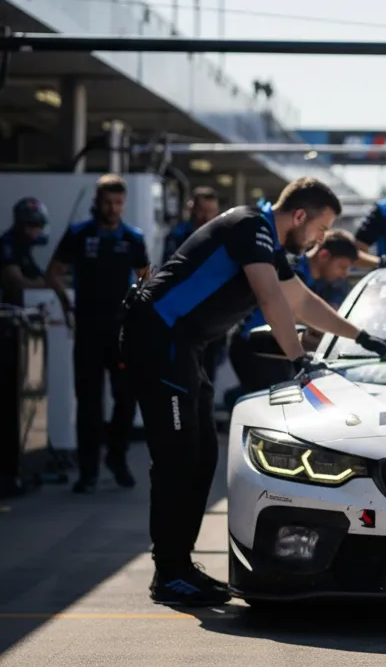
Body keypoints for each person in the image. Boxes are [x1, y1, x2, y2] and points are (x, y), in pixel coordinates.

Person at [120, 177, 386, 606]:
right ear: (299, 216)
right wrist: (298, 358)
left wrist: (362, 336)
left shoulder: (268, 241)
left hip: (183, 345)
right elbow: (271, 297)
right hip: (160, 337)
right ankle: (170, 573)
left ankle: (179, 567)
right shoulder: (251, 226)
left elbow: (301, 301)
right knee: (178, 458)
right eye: (320, 228)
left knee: (202, 457)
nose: (320, 239)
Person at [46, 175, 150, 492]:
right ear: (97, 201)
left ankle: (117, 458)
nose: (113, 208)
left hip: (122, 332)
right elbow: (53, 273)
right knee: (88, 402)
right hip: (89, 330)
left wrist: (139, 309)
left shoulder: (133, 237)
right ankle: (88, 471)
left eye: (118, 202)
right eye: (108, 202)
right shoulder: (79, 233)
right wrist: (67, 304)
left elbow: (146, 278)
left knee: (126, 398)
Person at [229, 228, 360, 394]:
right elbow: (296, 313)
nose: (344, 274)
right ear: (324, 255)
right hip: (256, 346)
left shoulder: (322, 282)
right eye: (342, 267)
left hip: (282, 347)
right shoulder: (291, 270)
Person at [163, 187, 226, 384]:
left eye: (211, 212)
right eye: (202, 211)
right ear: (191, 209)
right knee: (182, 381)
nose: (206, 217)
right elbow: (169, 276)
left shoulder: (224, 238)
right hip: (184, 320)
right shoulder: (177, 236)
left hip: (214, 321)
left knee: (207, 380)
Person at [0, 198, 70, 317]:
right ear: (27, 226)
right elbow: (18, 282)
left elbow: (36, 275)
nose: (41, 230)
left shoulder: (23, 246)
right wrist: (52, 284)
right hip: (14, 313)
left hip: (28, 307)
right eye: (39, 226)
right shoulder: (8, 245)